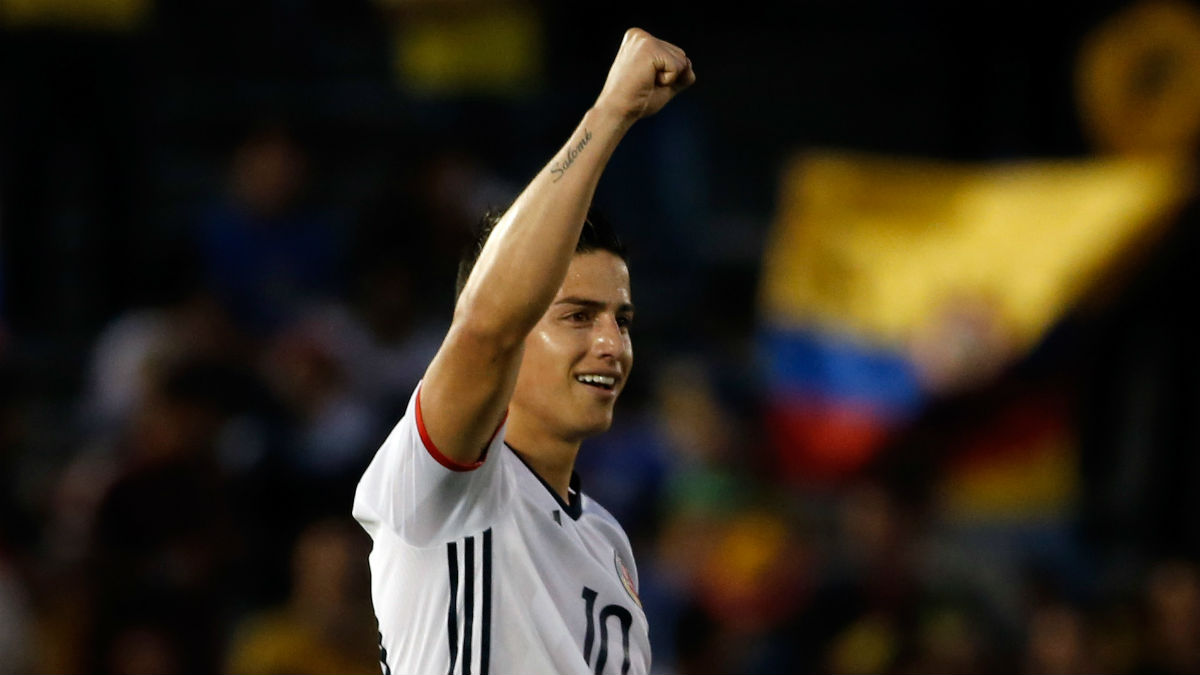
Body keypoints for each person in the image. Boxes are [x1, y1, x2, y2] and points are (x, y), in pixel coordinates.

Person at [352, 27, 694, 675]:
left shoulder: (607, 538)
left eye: (621, 319)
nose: (611, 343)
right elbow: (486, 328)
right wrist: (609, 112)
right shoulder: (446, 481)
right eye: (576, 315)